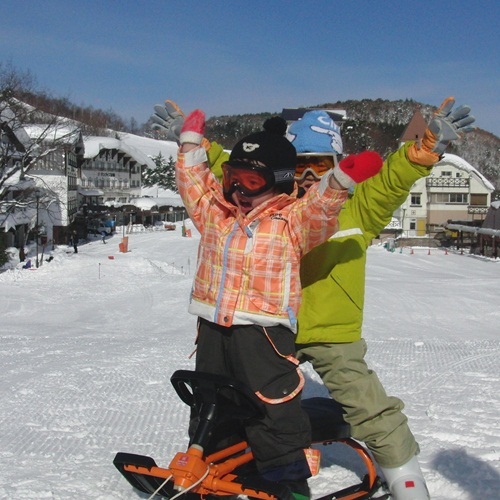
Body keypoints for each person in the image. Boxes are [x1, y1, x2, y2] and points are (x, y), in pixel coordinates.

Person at [153, 97, 475, 500]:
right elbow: (238, 170)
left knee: (365, 402)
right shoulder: (274, 203)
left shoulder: (359, 205)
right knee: (232, 399)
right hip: (265, 328)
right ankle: (224, 465)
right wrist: (191, 142)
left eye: (320, 166)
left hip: (329, 331)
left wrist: (423, 152)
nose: (308, 176)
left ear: (336, 164)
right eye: (301, 163)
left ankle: (406, 480)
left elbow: (392, 178)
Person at [175, 109, 382, 500]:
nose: (238, 190)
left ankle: (288, 479)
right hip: (213, 328)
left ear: (279, 183)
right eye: (233, 178)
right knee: (213, 400)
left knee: (274, 407)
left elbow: (321, 209)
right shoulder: (216, 215)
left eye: (252, 181)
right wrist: (190, 146)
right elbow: (193, 185)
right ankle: (215, 464)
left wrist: (340, 179)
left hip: (265, 334)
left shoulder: (291, 222)